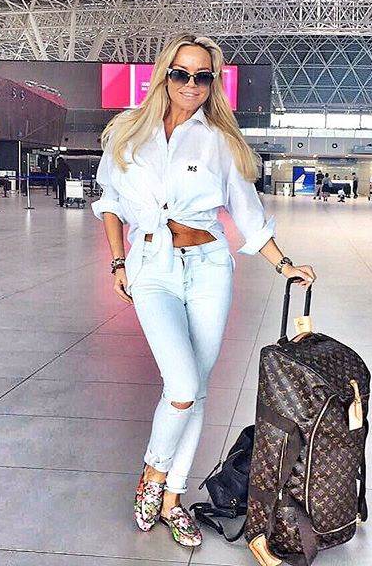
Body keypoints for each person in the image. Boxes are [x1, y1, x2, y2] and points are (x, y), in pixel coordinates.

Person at [91, 34, 316, 548]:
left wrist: (283, 264)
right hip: (152, 268)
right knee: (183, 384)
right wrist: (118, 261)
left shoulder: (220, 141)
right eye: (181, 73)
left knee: (199, 388)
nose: (191, 84)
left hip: (210, 267)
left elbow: (247, 214)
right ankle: (153, 472)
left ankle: (172, 498)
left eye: (202, 76)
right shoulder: (127, 132)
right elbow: (110, 203)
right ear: (164, 75)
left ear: (212, 83)